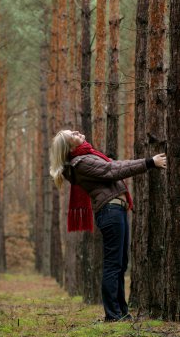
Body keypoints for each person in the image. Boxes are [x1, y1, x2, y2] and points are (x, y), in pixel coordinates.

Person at [49, 129, 167, 322]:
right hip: (110, 211)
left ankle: (121, 312)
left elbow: (113, 166)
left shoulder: (87, 156)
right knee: (114, 265)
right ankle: (112, 315)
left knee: (120, 265)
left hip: (115, 210)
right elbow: (113, 170)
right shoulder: (82, 162)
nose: (78, 132)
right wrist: (149, 162)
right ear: (71, 147)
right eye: (74, 135)